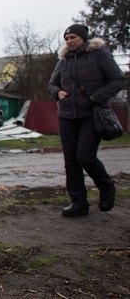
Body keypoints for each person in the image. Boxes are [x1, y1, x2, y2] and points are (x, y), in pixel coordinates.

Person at [48, 24, 125, 217]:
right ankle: (78, 203)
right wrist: (57, 92)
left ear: (83, 38)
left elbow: (118, 80)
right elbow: (52, 83)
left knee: (85, 156)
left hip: (92, 115)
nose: (69, 41)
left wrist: (97, 96)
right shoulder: (63, 60)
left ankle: (106, 186)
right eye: (66, 38)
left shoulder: (99, 54)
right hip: (67, 115)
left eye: (73, 37)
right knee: (71, 160)